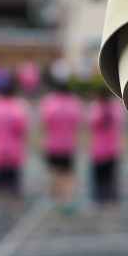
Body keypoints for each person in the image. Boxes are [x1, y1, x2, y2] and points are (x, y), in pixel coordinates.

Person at [0, 76, 30, 205]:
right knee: (14, 175)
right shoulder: (18, 107)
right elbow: (22, 128)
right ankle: (14, 197)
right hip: (14, 147)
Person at [39, 77, 84, 206]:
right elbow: (79, 125)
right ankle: (67, 200)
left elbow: (43, 124)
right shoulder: (75, 104)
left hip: (52, 145)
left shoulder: (48, 103)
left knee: (54, 173)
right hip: (68, 145)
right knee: (67, 174)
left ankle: (55, 200)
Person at [88, 86, 126, 207]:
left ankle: (108, 200)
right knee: (105, 178)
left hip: (106, 150)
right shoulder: (105, 107)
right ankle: (104, 200)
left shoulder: (101, 107)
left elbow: (92, 122)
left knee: (107, 178)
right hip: (105, 150)